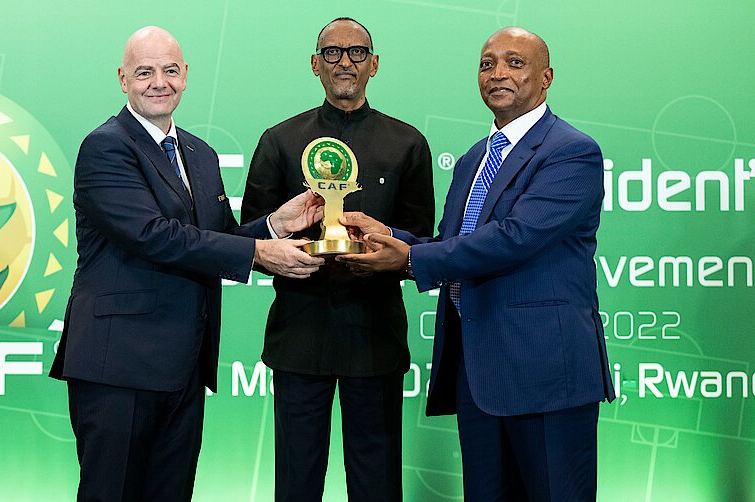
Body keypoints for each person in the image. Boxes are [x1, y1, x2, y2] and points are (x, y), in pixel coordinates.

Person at [338, 26, 615, 501]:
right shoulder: (473, 159)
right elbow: (456, 243)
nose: (497, 73)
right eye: (487, 64)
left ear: (546, 77)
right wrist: (388, 236)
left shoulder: (571, 151)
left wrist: (410, 260)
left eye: (514, 62)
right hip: (478, 372)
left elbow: (515, 238)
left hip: (546, 372)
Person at [49, 26, 325, 501]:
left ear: (186, 76)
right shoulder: (106, 146)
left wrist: (275, 226)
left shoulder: (201, 153)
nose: (159, 82)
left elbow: (217, 238)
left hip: (183, 367)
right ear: (122, 79)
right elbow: (153, 236)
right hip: (118, 367)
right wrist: (259, 253)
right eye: (145, 72)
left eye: (170, 70)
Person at [240, 17, 434, 502]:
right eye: (331, 52)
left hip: (376, 336)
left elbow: (423, 242)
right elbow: (248, 240)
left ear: (374, 65)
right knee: (296, 483)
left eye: (356, 52)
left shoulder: (408, 143)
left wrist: (386, 250)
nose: (344, 61)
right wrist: (282, 255)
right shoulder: (279, 140)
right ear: (314, 65)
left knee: (377, 483)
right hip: (299, 335)